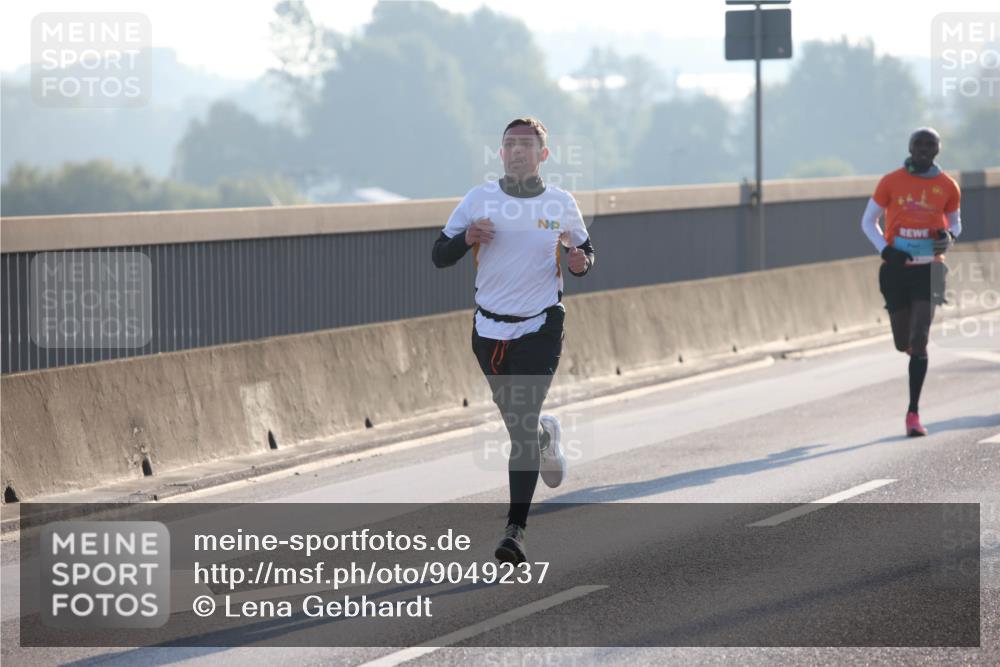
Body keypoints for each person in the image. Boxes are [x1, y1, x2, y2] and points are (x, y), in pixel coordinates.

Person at [432, 117, 595, 564]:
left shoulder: (560, 202)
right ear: (500, 153)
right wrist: (466, 238)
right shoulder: (478, 200)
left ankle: (515, 532)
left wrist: (580, 263)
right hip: (488, 331)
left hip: (541, 325)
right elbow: (438, 255)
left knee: (519, 425)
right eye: (509, 145)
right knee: (520, 425)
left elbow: (584, 252)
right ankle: (545, 434)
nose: (516, 151)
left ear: (543, 155)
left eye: (526, 145)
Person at [860, 127, 962, 437]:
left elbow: (955, 221)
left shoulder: (948, 186)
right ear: (910, 147)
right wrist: (885, 249)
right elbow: (868, 221)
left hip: (929, 269)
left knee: (920, 337)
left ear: (937, 151)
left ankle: (913, 414)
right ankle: (911, 351)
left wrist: (950, 236)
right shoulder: (891, 182)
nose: (923, 149)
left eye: (930, 144)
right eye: (918, 143)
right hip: (896, 270)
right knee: (903, 342)